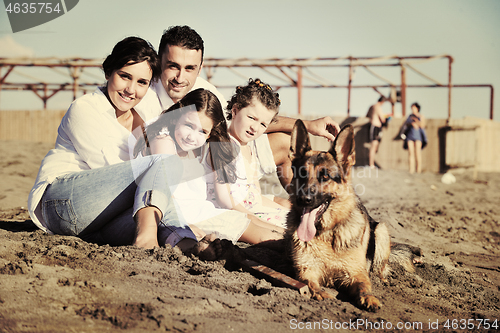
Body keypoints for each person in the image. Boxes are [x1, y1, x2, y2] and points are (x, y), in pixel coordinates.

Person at [27, 37, 219, 259]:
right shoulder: (85, 109)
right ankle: (146, 239)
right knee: (164, 166)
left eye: (142, 82)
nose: (131, 89)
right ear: (109, 71)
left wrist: (182, 224)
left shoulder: (145, 117)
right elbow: (128, 173)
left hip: (99, 220)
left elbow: (149, 190)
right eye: (125, 76)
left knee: (159, 221)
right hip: (63, 204)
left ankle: (188, 244)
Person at [136, 25, 341, 192]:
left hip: (226, 160)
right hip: (189, 174)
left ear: (200, 67)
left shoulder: (206, 90)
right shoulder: (143, 95)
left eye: (190, 68)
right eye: (173, 66)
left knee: (285, 143)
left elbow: (246, 119)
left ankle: (303, 202)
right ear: (159, 61)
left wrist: (307, 125)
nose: (181, 78)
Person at [134, 88, 284, 244]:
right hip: (184, 216)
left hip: (205, 212)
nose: (192, 137)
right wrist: (185, 225)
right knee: (261, 235)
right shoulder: (164, 141)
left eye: (202, 131)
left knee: (262, 227)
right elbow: (162, 189)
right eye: (189, 125)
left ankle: (296, 240)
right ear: (176, 117)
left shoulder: (200, 148)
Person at [208, 79, 290, 228]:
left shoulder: (249, 148)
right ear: (235, 111)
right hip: (237, 213)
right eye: (252, 118)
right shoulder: (225, 145)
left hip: (253, 209)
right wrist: (256, 219)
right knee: (288, 228)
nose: (255, 127)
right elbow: (225, 199)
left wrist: (282, 210)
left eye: (263, 124)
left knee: (291, 215)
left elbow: (255, 196)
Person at [403, 102, 427, 174]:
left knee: (418, 153)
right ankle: (411, 169)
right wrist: (411, 123)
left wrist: (417, 122)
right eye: (412, 108)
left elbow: (423, 125)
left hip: (418, 137)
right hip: (410, 136)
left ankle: (418, 169)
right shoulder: (410, 116)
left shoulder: (421, 116)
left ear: (417, 109)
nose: (412, 109)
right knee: (411, 153)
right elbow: (406, 124)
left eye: (414, 108)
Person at [366, 96, 389, 169]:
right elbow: (382, 119)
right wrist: (387, 117)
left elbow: (367, 115)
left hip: (373, 126)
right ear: (383, 102)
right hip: (376, 127)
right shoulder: (378, 107)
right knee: (374, 146)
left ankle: (371, 164)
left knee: (374, 146)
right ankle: (371, 164)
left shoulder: (371, 107)